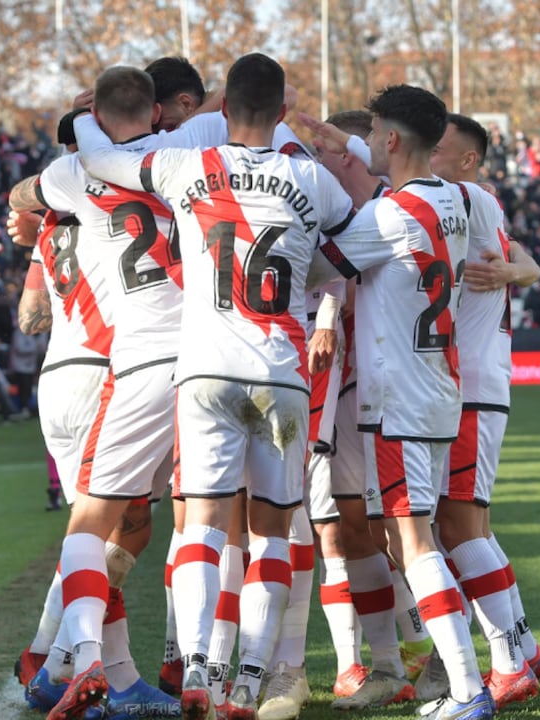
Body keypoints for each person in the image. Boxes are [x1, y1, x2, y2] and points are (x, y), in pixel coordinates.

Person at [73, 53, 357, 720]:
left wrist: (83, 119)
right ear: (284, 113)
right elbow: (357, 241)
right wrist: (310, 274)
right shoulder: (311, 178)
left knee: (200, 525)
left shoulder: (185, 165)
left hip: (202, 373)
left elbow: (101, 159)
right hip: (281, 378)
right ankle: (252, 681)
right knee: (273, 534)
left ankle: (199, 666)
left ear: (220, 112)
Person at [6, 66, 186, 720]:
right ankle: (67, 663)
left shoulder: (60, 198)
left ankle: (74, 663)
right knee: (120, 527)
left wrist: (30, 220)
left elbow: (30, 313)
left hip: (60, 371)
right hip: (114, 366)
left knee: (108, 521)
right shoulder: (168, 167)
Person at [309, 85, 493, 720]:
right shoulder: (458, 200)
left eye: (376, 133)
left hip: (399, 403)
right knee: (418, 538)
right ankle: (458, 675)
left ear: (391, 140)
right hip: (440, 391)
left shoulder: (387, 217)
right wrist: (346, 141)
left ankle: (467, 692)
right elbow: (395, 163)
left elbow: (313, 269)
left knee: (413, 544)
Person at [427, 113, 540, 709]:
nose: (427, 156)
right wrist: (523, 267)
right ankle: (524, 649)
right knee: (469, 527)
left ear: (468, 161)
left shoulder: (465, 198)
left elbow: (522, 257)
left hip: (470, 385)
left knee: (457, 529)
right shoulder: (479, 206)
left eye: (438, 148)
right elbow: (522, 254)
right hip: (473, 384)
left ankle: (508, 661)